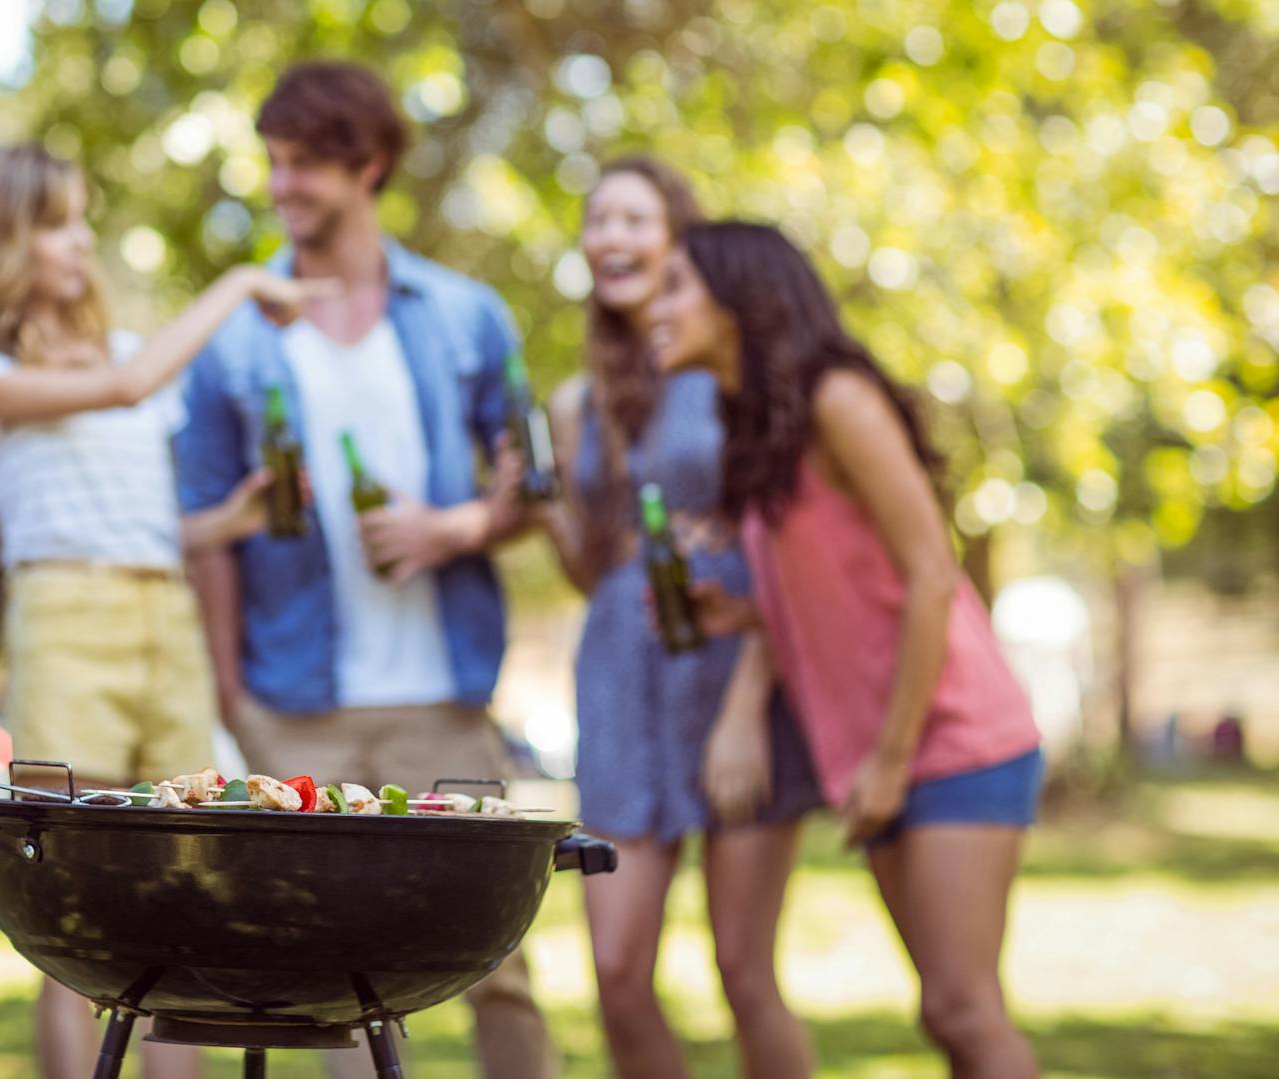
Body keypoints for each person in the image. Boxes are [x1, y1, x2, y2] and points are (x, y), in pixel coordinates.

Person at [173, 61, 550, 1079]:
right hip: (296, 700)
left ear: (369, 164)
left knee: (497, 953)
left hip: (443, 694)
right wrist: (234, 694)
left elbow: (533, 487)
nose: (282, 185)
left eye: (305, 165)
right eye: (276, 162)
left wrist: (457, 527)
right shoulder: (233, 340)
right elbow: (205, 533)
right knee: (346, 974)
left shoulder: (466, 317)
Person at [0, 142, 328, 1079]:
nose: (78, 243)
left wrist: (233, 516)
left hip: (165, 620)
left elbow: (148, 525)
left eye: (79, 220)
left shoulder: (117, 357)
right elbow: (128, 387)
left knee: (178, 903)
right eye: (54, 223)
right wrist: (236, 284)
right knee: (78, 916)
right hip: (67, 623)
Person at [648, 220, 1044, 1078]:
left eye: (676, 284)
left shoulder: (838, 399)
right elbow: (842, 590)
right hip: (886, 750)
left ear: (738, 298)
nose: (656, 303)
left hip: (952, 736)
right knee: (949, 1013)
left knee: (962, 1006)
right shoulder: (765, 427)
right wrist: (745, 617)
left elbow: (932, 574)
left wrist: (892, 759)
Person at [540, 159, 819, 1078]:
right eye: (596, 220)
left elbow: (786, 543)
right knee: (617, 971)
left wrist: (745, 710)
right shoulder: (578, 400)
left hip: (740, 661)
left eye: (632, 218)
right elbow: (591, 568)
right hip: (624, 673)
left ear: (678, 240)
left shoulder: (732, 363)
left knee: (743, 970)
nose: (609, 238)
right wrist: (543, 504)